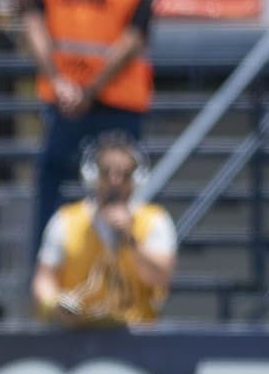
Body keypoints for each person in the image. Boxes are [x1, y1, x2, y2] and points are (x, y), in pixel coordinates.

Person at [21, 0, 157, 257]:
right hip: (115, 103)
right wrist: (90, 89)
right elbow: (133, 40)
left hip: (65, 101)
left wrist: (57, 80)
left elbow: (30, 19)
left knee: (54, 193)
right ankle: (116, 283)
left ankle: (45, 279)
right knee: (119, 195)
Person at [31, 130, 176, 327]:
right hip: (76, 337)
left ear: (136, 179)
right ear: (91, 175)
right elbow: (44, 279)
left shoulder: (155, 220)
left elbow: (159, 278)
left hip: (137, 338)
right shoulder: (65, 220)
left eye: (124, 175)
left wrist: (130, 238)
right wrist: (53, 304)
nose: (114, 181)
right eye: (105, 172)